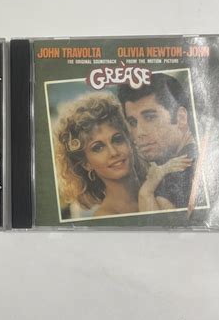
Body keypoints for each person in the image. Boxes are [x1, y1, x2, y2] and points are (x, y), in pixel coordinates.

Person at [55, 93, 191, 219]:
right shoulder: (106, 217)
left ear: (130, 140)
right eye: (98, 148)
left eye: (117, 139)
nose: (114, 152)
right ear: (86, 163)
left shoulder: (163, 184)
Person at [118, 73, 199, 211]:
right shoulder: (179, 161)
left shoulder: (178, 171)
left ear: (181, 118)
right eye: (132, 122)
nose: (139, 133)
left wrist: (145, 192)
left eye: (150, 118)